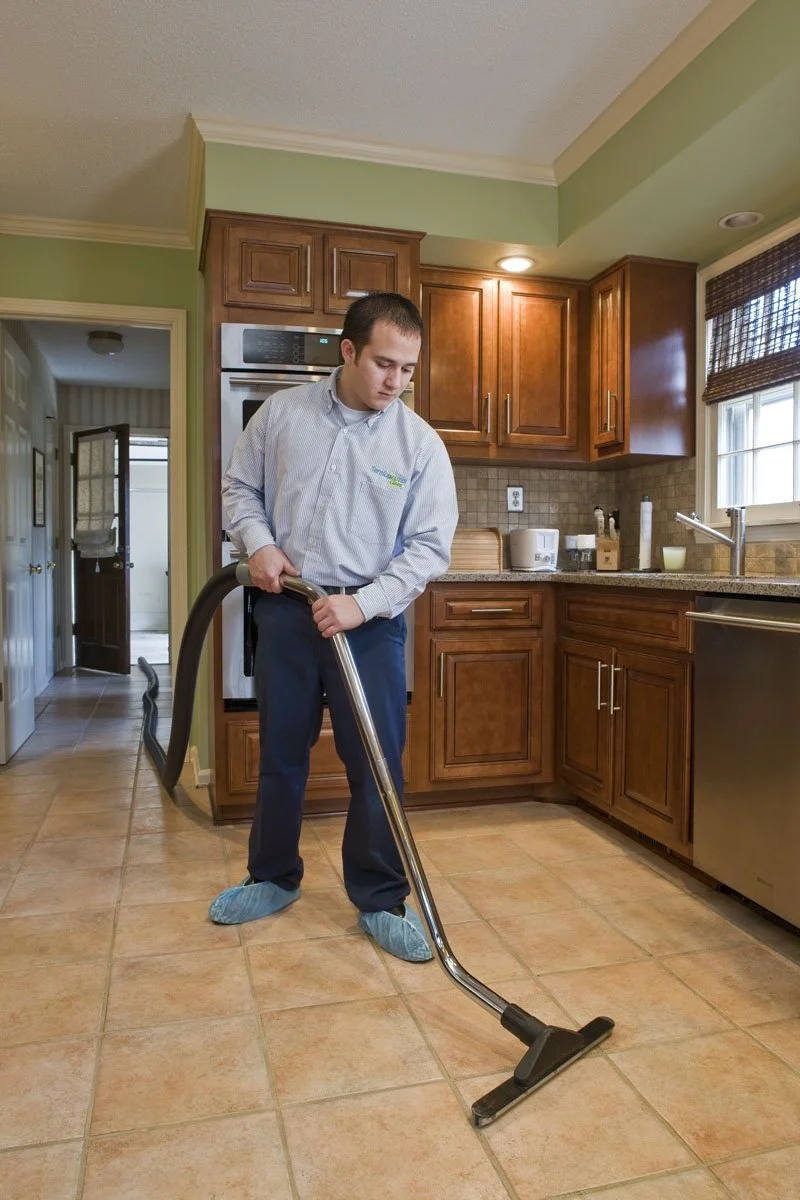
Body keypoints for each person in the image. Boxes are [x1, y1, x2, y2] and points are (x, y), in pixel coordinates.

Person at [209, 292, 458, 962]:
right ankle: (271, 877)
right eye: (384, 364)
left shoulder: (420, 445)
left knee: (376, 766)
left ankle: (381, 899)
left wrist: (363, 602)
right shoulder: (283, 416)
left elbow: (430, 548)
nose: (396, 382)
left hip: (369, 624)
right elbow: (240, 489)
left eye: (408, 369)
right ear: (348, 351)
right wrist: (258, 545)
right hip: (288, 610)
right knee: (282, 754)